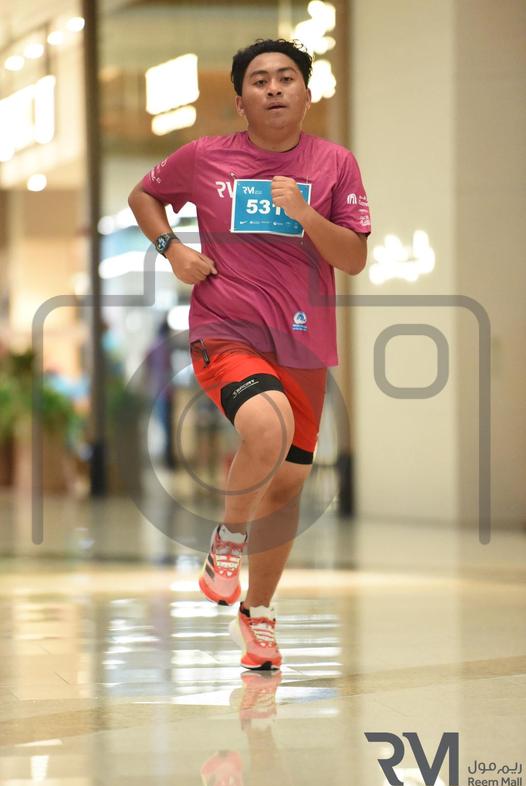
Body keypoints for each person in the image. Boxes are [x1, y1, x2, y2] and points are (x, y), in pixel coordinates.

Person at [128, 38, 371, 670]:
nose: (274, 88)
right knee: (265, 426)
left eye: (286, 78)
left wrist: (305, 213)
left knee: (286, 485)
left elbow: (352, 257)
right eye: (259, 80)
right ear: (240, 102)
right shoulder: (204, 157)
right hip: (225, 328)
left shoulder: (336, 163)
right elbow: (143, 195)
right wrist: (173, 250)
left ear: (307, 94)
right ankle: (227, 541)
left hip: (304, 340)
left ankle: (257, 613)